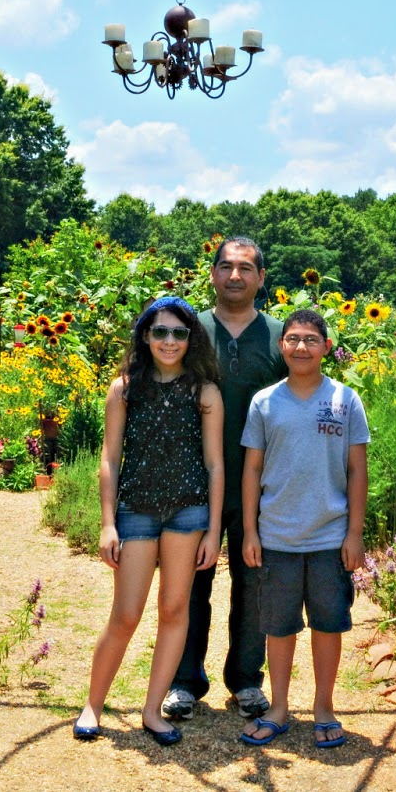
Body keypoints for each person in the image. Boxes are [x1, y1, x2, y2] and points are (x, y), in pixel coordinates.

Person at [75, 296, 224, 746]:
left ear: (190, 338)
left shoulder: (205, 392)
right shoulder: (124, 388)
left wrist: (214, 531)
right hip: (136, 511)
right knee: (125, 614)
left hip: (188, 511)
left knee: (175, 609)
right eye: (160, 331)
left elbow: (216, 465)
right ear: (145, 335)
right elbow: (109, 457)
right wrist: (107, 523)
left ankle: (152, 710)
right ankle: (92, 706)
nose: (169, 341)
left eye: (179, 332)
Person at [163, 238, 287, 723]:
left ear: (260, 277)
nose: (235, 275)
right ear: (212, 274)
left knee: (255, 583)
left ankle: (247, 681)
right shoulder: (190, 333)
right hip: (196, 483)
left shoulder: (281, 336)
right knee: (190, 582)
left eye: (246, 268)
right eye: (226, 266)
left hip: (263, 486)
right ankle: (183, 681)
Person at [237, 309, 369, 750]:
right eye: (293, 338)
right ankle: (278, 708)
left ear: (326, 347)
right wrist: (251, 532)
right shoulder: (264, 402)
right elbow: (251, 469)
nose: (301, 347)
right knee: (279, 627)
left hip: (331, 538)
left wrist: (354, 533)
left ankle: (324, 708)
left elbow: (356, 470)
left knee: (328, 625)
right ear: (282, 346)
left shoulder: (345, 400)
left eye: (311, 339)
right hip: (276, 536)